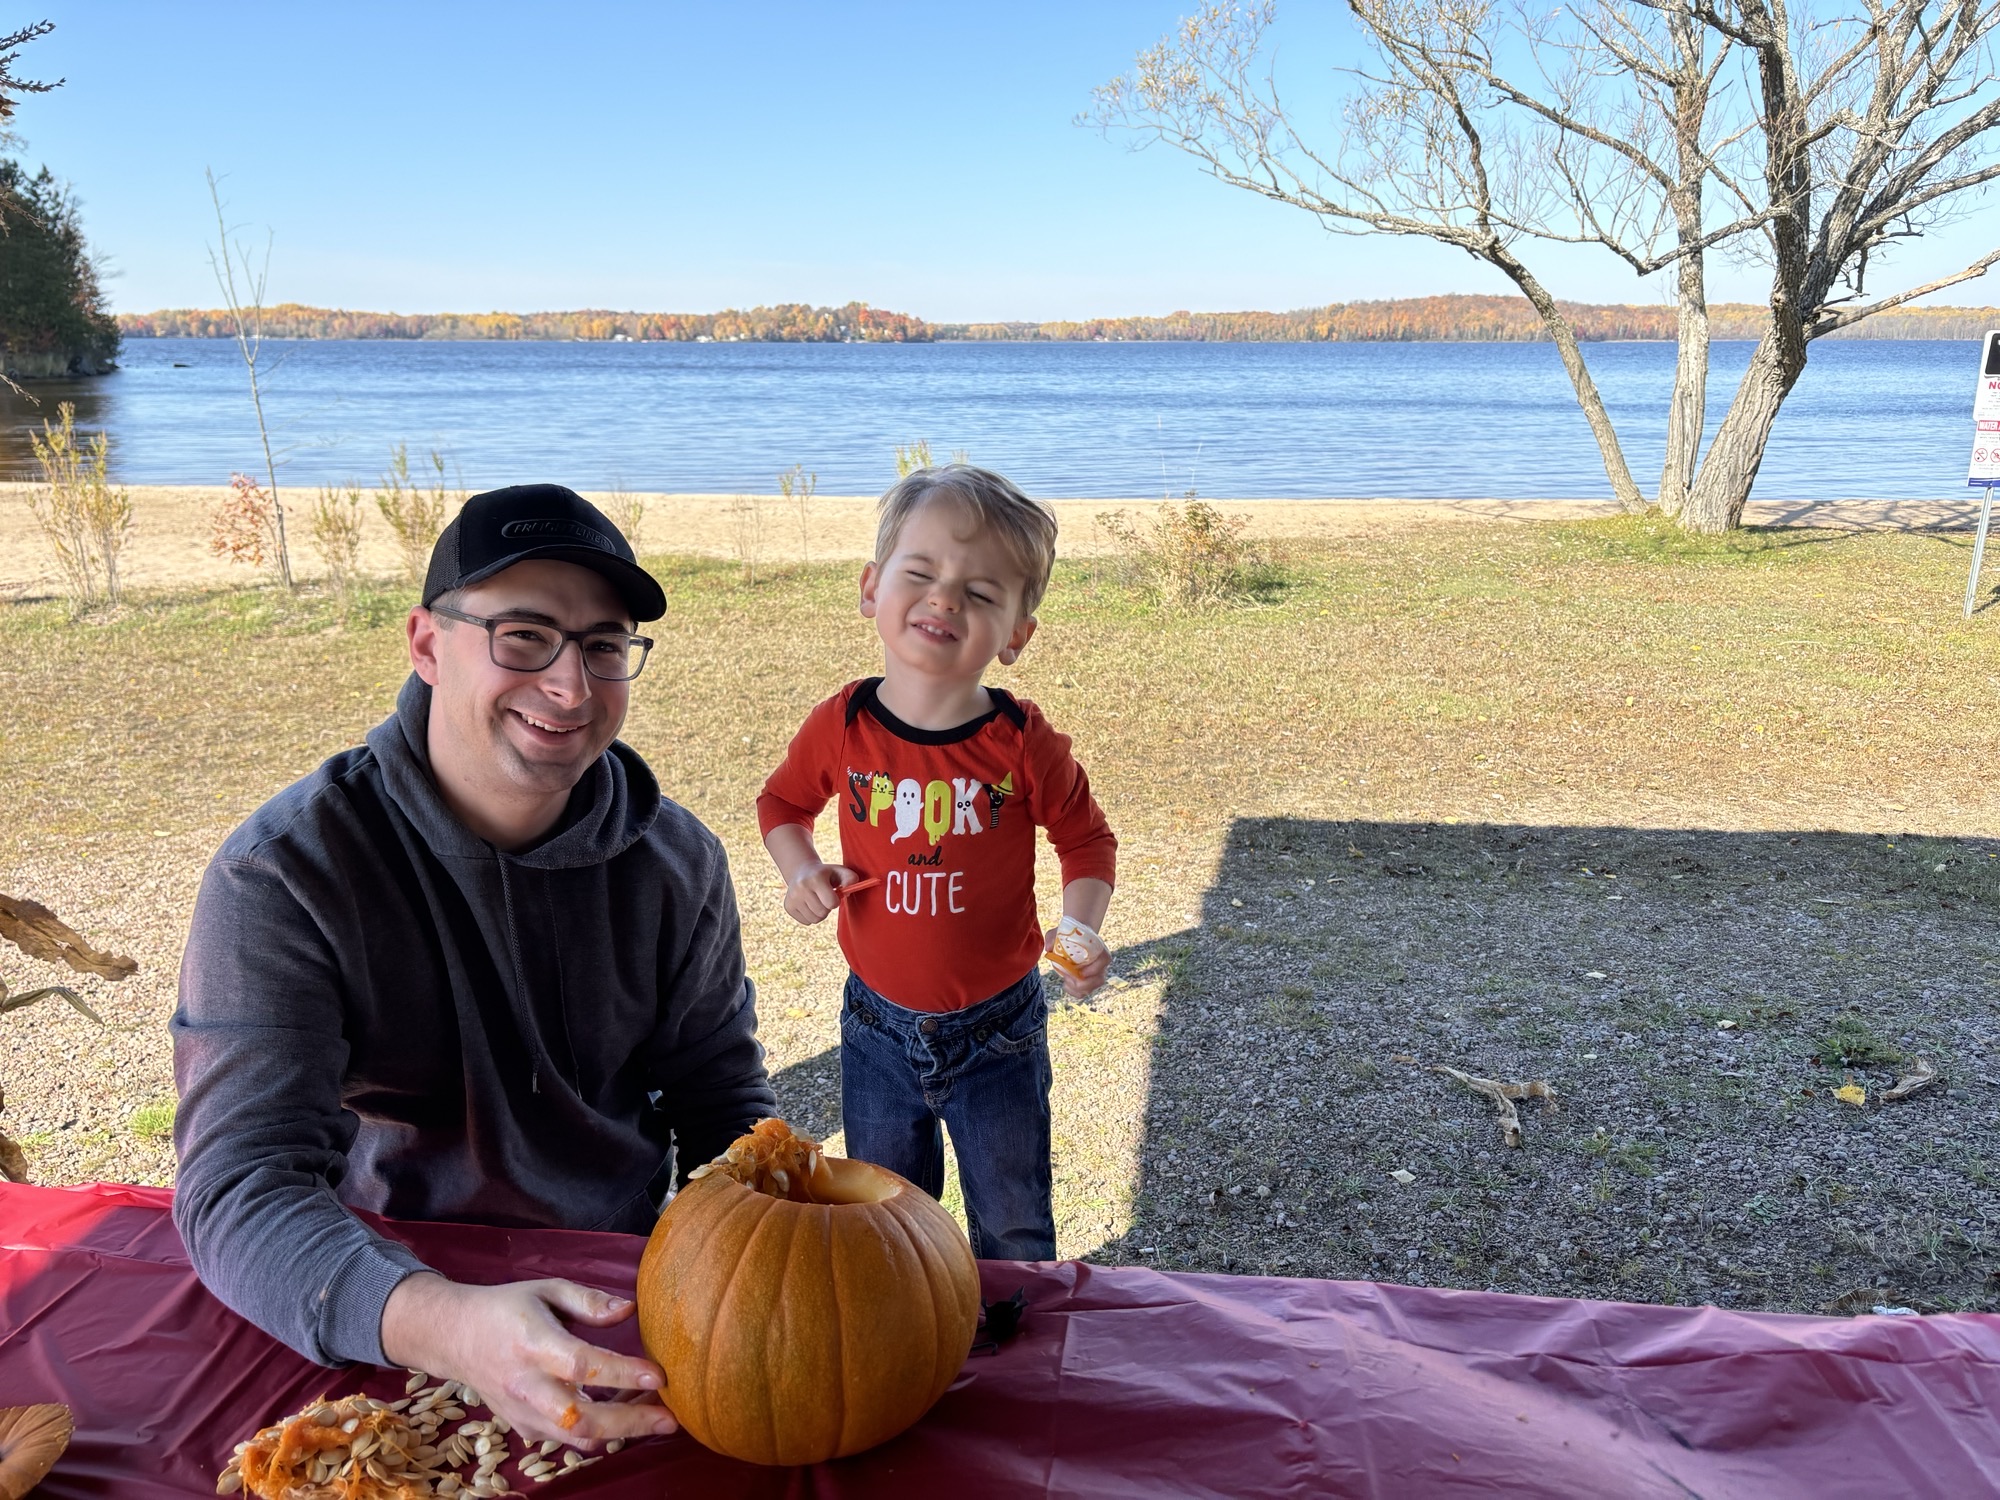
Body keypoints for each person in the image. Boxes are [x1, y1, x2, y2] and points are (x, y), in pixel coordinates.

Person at [171, 484, 774, 1449]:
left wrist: (767, 1274)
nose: (571, 687)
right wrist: (445, 1323)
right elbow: (239, 1188)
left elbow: (720, 1103)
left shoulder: (678, 863)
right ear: (425, 643)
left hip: (617, 1291)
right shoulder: (283, 875)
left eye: (603, 647)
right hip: (380, 1290)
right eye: (524, 635)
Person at [756, 464, 1115, 1261]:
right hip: (875, 1027)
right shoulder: (843, 725)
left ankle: (1020, 1345)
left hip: (999, 1032)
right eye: (920, 574)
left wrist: (1078, 929)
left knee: (1013, 1218)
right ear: (871, 588)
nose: (945, 598)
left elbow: (1087, 842)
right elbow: (780, 806)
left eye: (981, 593)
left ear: (1016, 635)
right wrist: (801, 872)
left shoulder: (1022, 741)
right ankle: (906, 1342)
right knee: (882, 1217)